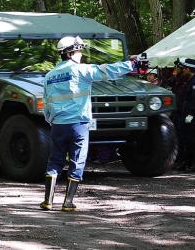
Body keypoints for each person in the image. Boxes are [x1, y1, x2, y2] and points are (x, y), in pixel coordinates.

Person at [40, 36, 135, 212]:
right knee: (77, 160)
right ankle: (68, 203)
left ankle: (48, 201)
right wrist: (131, 65)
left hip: (58, 125)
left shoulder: (49, 76)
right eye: (79, 50)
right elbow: (107, 71)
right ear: (70, 52)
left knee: (55, 161)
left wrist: (51, 120)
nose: (81, 53)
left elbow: (46, 103)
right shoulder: (80, 70)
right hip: (78, 124)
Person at [175, 58, 195, 171]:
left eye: (183, 69)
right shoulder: (190, 80)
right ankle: (187, 162)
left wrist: (191, 115)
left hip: (194, 116)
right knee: (186, 139)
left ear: (188, 69)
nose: (182, 71)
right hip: (187, 115)